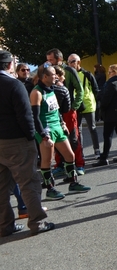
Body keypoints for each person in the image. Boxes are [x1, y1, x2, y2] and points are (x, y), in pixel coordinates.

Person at [0, 51, 56, 237]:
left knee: (1, 187)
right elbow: (25, 116)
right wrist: (32, 136)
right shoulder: (13, 85)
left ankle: (5, 225)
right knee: (29, 182)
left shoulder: (13, 84)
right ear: (9, 65)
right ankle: (37, 222)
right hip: (16, 141)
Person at [31, 65, 90, 197]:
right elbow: (35, 117)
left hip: (57, 126)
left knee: (70, 156)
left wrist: (62, 123)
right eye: (53, 74)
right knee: (47, 161)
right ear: (45, 77)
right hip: (46, 129)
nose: (56, 76)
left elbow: (56, 109)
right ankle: (50, 189)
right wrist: (44, 135)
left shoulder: (52, 89)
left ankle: (73, 183)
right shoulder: (37, 93)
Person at [46, 49, 85, 176]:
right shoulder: (48, 71)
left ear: (59, 59)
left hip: (68, 110)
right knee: (56, 137)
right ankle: (60, 164)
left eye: (51, 60)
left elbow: (80, 90)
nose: (49, 62)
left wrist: (74, 106)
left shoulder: (69, 71)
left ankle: (79, 164)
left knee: (73, 137)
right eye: (48, 60)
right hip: (54, 111)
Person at [94, 64, 117, 165]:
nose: (108, 74)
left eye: (110, 72)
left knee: (108, 135)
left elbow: (105, 100)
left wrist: (101, 107)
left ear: (116, 72)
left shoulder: (112, 84)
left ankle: (104, 157)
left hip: (111, 113)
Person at [68, 54, 101, 157]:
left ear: (79, 62)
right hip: (75, 105)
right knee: (77, 130)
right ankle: (80, 152)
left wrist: (98, 105)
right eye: (69, 62)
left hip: (88, 104)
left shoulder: (87, 74)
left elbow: (96, 90)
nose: (71, 64)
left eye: (73, 61)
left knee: (92, 127)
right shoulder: (68, 74)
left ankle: (97, 149)